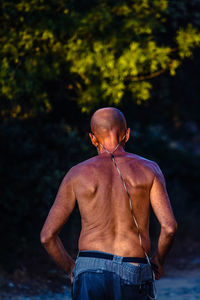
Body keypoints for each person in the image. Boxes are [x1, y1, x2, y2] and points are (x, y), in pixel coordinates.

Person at [40, 107, 177, 299]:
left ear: (93, 138)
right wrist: (158, 260)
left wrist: (72, 268)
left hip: (89, 269)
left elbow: (47, 236)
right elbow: (169, 227)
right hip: (134, 268)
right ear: (127, 134)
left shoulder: (76, 174)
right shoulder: (149, 169)